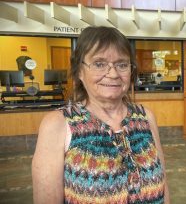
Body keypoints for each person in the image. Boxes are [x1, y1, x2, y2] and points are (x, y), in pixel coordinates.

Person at [32, 26, 169, 203]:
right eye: (99, 64)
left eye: (121, 64)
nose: (113, 74)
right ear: (79, 71)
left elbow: (164, 187)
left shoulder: (146, 118)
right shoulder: (57, 124)